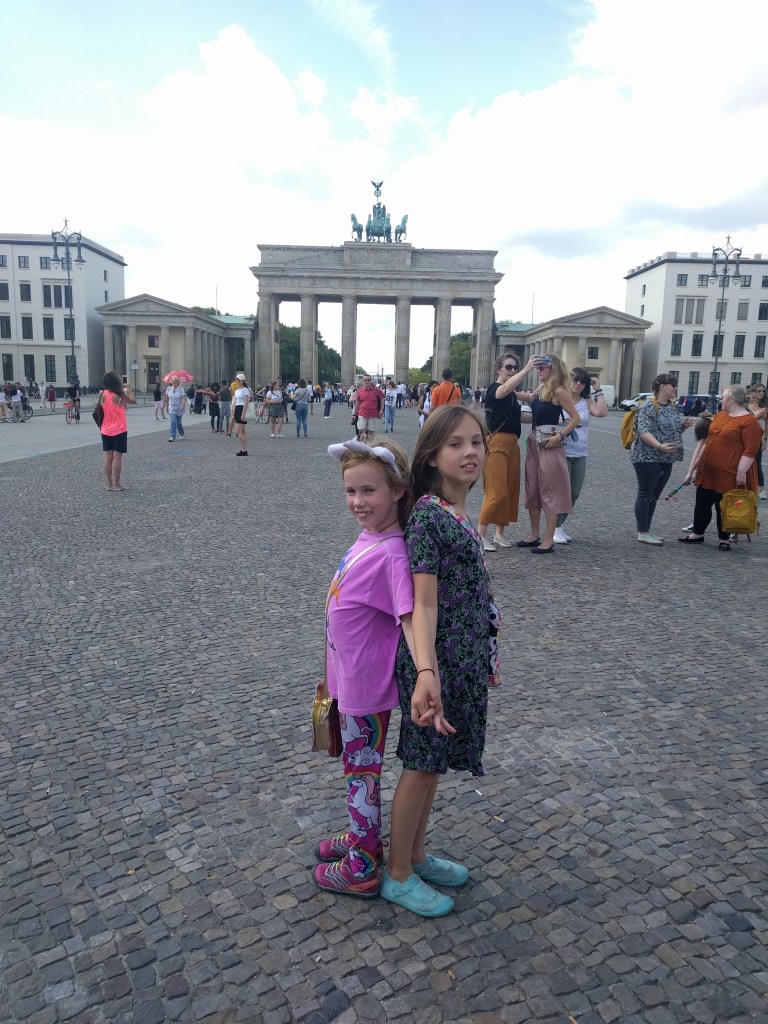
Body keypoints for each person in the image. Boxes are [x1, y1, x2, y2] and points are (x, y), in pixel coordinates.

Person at [382, 405, 500, 917]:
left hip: (461, 656)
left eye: (476, 441)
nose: (470, 451)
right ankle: (397, 873)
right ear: (432, 455)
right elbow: (422, 602)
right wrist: (426, 673)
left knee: (433, 767)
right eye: (456, 444)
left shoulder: (453, 510)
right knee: (420, 765)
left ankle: (417, 854)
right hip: (436, 662)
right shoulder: (430, 516)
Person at [313, 438, 415, 899]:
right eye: (350, 492)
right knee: (356, 771)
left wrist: (428, 675)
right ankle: (361, 839)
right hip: (346, 678)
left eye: (369, 491)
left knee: (361, 775)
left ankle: (363, 865)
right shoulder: (369, 537)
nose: (357, 502)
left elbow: (410, 617)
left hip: (366, 688)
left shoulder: (392, 553)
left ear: (397, 490)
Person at [679, 385, 763, 550]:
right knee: (702, 502)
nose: (721, 400)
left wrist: (741, 472)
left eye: (724, 397)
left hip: (729, 472)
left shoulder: (749, 421)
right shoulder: (720, 415)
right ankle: (698, 533)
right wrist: (696, 464)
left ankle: (724, 538)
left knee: (723, 505)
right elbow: (709, 440)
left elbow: (751, 450)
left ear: (732, 400)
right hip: (708, 470)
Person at [515, 355, 581, 554]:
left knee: (549, 490)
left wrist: (559, 436)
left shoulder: (560, 391)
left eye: (541, 367)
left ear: (553, 369)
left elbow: (575, 418)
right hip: (535, 442)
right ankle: (534, 535)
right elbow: (528, 398)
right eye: (537, 368)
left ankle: (548, 539)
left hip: (550, 444)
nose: (538, 371)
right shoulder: (542, 388)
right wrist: (504, 387)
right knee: (532, 488)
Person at [477, 353, 531, 551]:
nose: (512, 370)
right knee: (496, 490)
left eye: (515, 367)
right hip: (497, 443)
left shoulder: (511, 396)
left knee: (509, 489)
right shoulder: (495, 390)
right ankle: (480, 534)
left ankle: (499, 533)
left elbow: (520, 418)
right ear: (498, 369)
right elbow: (505, 388)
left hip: (512, 443)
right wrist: (527, 369)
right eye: (508, 367)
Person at [629, 374, 691, 545]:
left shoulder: (670, 406)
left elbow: (671, 430)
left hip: (665, 457)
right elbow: (644, 432)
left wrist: (683, 427)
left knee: (654, 496)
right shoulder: (648, 405)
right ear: (662, 386)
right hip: (646, 457)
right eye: (673, 385)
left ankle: (647, 529)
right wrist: (659, 446)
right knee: (645, 494)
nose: (675, 389)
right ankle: (642, 532)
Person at [553, 368, 609, 544]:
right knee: (562, 491)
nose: (578, 384)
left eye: (582, 381)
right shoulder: (560, 399)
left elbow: (602, 412)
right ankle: (555, 528)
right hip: (561, 449)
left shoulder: (587, 401)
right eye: (575, 380)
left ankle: (559, 525)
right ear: (568, 380)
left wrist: (598, 389)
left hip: (580, 451)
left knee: (574, 492)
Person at [98, 370, 137, 490]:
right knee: (117, 457)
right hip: (119, 429)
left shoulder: (102, 393)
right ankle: (117, 484)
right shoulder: (121, 395)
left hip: (105, 429)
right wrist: (129, 389)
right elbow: (133, 401)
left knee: (108, 456)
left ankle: (109, 484)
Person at [746, 383, 768, 500]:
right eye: (758, 391)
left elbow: (766, 425)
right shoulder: (746, 406)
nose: (761, 393)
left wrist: (765, 440)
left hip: (757, 439)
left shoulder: (765, 407)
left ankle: (762, 489)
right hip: (746, 438)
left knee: (757, 464)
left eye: (763, 391)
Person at [354, 376, 385, 443]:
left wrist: (381, 410)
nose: (367, 381)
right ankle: (362, 445)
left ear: (371, 381)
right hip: (362, 413)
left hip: (373, 413)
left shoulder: (376, 390)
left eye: (369, 380)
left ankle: (370, 446)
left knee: (371, 431)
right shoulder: (360, 391)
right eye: (365, 380)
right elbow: (357, 403)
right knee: (361, 430)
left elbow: (382, 398)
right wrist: (354, 414)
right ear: (363, 381)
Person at [164, 375, 188, 441]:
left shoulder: (181, 389)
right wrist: (166, 406)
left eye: (176, 382)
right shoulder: (168, 389)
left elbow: (183, 398)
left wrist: (183, 405)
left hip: (179, 408)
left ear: (178, 382)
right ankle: (172, 436)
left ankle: (182, 434)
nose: (174, 383)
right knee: (173, 422)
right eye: (173, 382)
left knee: (179, 423)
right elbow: (167, 398)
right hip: (171, 407)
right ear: (171, 382)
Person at [233, 376, 250, 456]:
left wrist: (243, 414)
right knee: (242, 431)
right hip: (237, 408)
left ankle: (244, 450)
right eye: (237, 379)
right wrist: (233, 413)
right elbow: (235, 402)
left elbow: (246, 402)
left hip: (242, 408)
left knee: (238, 431)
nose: (237, 381)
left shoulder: (245, 390)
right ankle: (243, 449)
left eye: (239, 380)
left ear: (243, 381)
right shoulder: (236, 390)